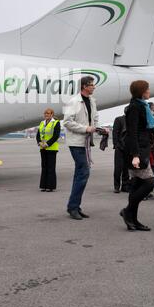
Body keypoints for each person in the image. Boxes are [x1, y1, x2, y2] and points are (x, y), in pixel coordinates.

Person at [63, 76, 105, 220]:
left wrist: (98, 128)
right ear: (84, 86)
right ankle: (73, 207)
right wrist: (86, 129)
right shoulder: (73, 101)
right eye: (92, 85)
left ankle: (74, 206)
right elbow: (67, 122)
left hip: (86, 142)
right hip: (76, 142)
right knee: (84, 172)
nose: (94, 87)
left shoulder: (92, 101)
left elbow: (95, 117)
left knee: (80, 173)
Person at [120, 80, 154, 232]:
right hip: (137, 152)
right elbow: (132, 132)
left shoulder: (142, 106)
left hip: (142, 150)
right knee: (149, 183)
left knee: (137, 185)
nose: (149, 91)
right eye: (147, 89)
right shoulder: (135, 107)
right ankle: (127, 212)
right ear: (142, 91)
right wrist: (135, 155)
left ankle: (133, 219)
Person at [36, 108, 60, 192]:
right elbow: (38, 134)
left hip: (52, 148)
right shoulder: (42, 123)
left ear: (52, 114)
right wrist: (39, 142)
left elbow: (55, 136)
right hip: (42, 148)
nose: (46, 115)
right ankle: (43, 185)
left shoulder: (56, 123)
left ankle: (50, 186)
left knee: (51, 167)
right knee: (44, 167)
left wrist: (47, 144)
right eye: (45, 113)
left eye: (48, 113)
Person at [112, 110, 129, 193]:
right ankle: (116, 186)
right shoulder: (119, 119)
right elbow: (115, 132)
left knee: (126, 168)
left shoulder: (132, 120)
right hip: (120, 148)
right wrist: (116, 145)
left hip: (129, 148)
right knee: (118, 168)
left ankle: (125, 186)